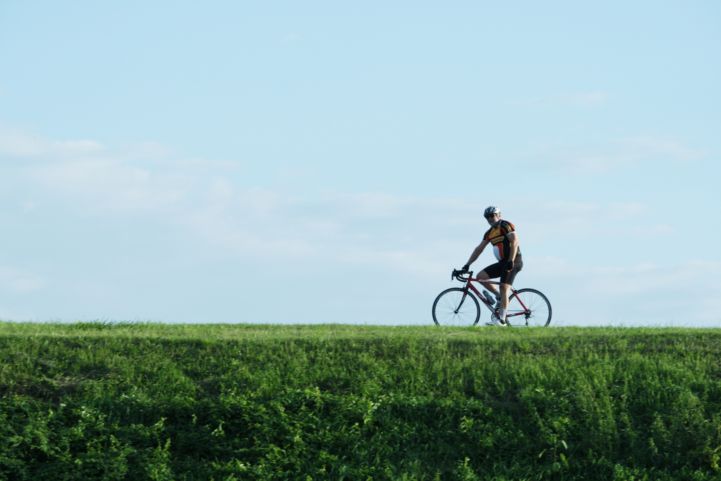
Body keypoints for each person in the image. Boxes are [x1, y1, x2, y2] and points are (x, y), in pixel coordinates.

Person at [461, 206, 523, 326]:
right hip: (502, 263)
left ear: (499, 215)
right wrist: (467, 264)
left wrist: (511, 260)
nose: (490, 218)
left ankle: (502, 321)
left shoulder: (505, 225)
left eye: (492, 215)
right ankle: (499, 297)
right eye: (487, 217)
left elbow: (515, 241)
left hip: (514, 261)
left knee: (504, 287)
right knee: (480, 277)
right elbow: (479, 249)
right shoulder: (489, 233)